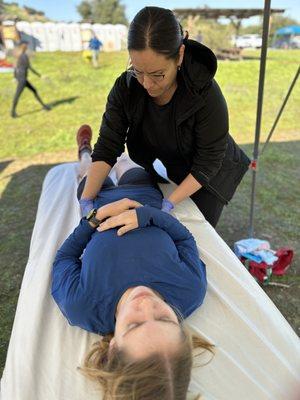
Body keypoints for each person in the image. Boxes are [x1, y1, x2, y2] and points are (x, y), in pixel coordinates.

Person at [51, 125, 213, 399]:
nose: (147, 304)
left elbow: (63, 259)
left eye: (135, 325)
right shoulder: (190, 289)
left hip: (98, 200)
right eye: (165, 318)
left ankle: (84, 150)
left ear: (113, 346)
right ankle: (118, 145)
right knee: (125, 161)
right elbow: (184, 240)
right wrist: (148, 215)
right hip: (144, 195)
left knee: (90, 168)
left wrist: (95, 218)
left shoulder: (83, 306)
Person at [80, 6, 251, 228]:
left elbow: (208, 163)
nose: (147, 84)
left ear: (179, 55)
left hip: (210, 174)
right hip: (174, 164)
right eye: (137, 70)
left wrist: (168, 205)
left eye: (157, 74)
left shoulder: (205, 93)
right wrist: (86, 200)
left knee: (197, 229)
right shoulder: (126, 88)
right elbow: (107, 146)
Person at [11, 41, 50, 118]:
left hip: (22, 78)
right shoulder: (24, 56)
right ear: (24, 47)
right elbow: (30, 68)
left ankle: (44, 106)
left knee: (34, 90)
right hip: (22, 80)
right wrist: (40, 76)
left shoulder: (20, 56)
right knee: (17, 95)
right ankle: (12, 113)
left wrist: (15, 77)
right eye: (27, 46)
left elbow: (16, 67)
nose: (28, 47)